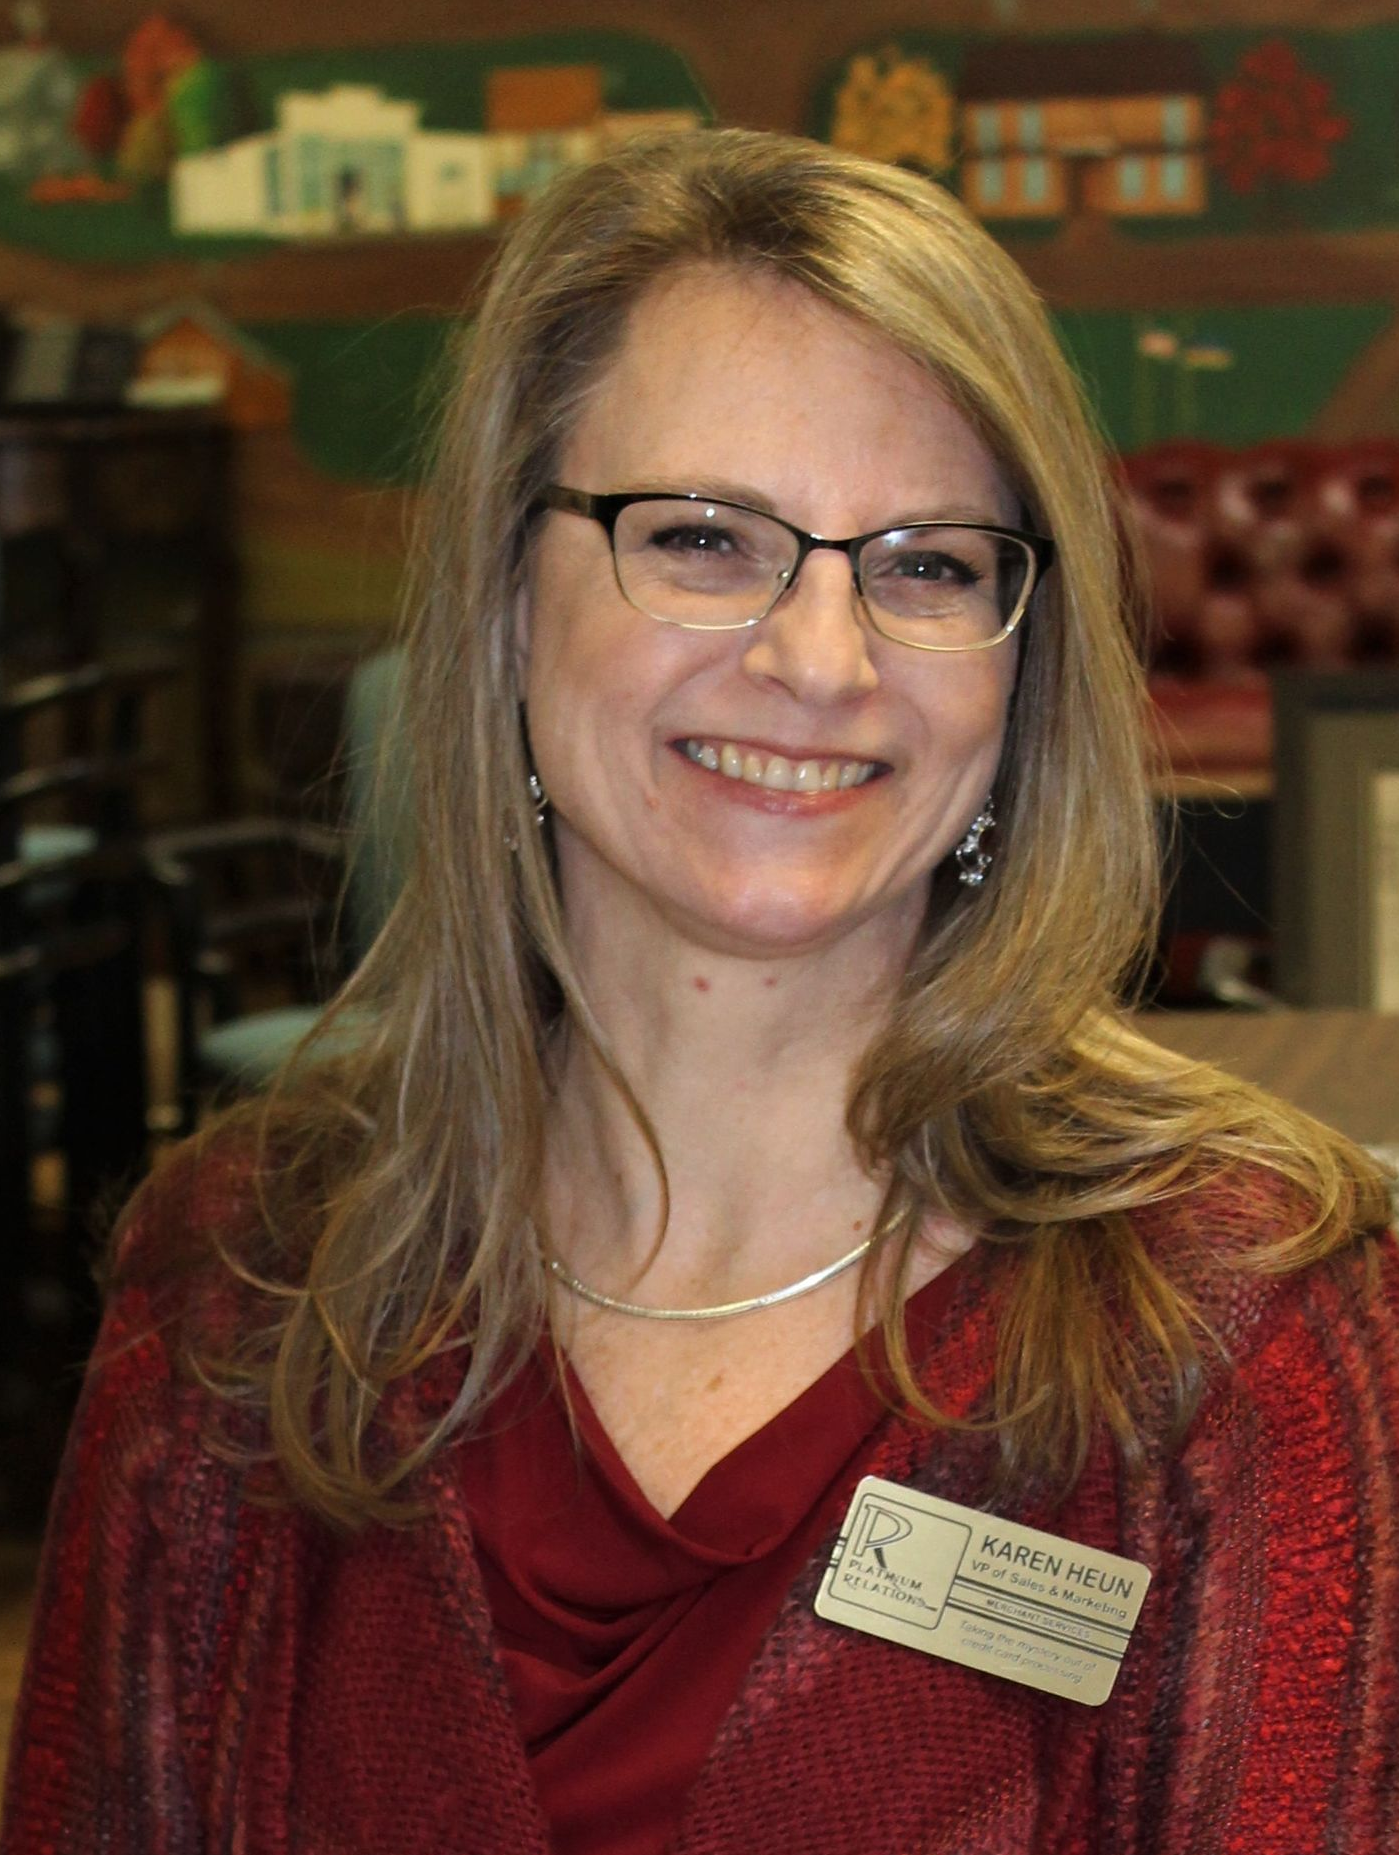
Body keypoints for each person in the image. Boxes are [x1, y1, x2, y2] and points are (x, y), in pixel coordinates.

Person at [4, 128, 1397, 1855]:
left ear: (1020, 668)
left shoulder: (1233, 1327)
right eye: (704, 538)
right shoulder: (237, 1284)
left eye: (926, 563)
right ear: (508, 602)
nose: (819, 658)